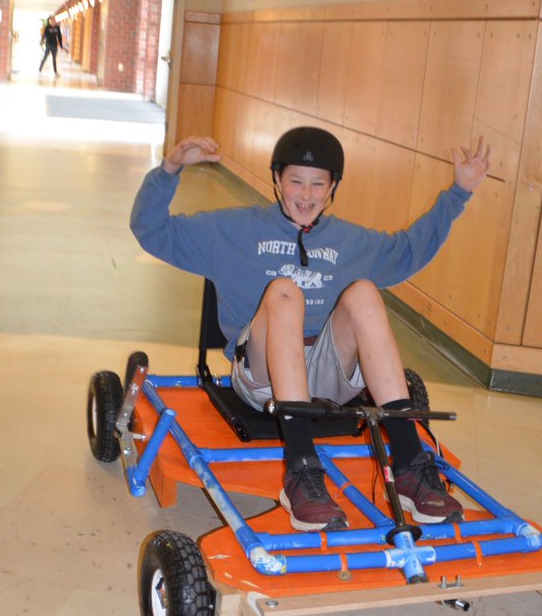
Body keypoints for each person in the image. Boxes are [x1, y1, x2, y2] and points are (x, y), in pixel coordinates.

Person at [130, 126, 490, 533]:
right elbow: (151, 231)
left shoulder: (351, 242)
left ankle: (408, 465)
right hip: (262, 378)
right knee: (285, 292)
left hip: (328, 376)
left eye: (317, 184)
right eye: (295, 181)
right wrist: (170, 169)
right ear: (277, 180)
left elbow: (409, 251)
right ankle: (301, 471)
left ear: (333, 186)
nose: (306, 195)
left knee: (366, 294)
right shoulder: (231, 231)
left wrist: (459, 193)